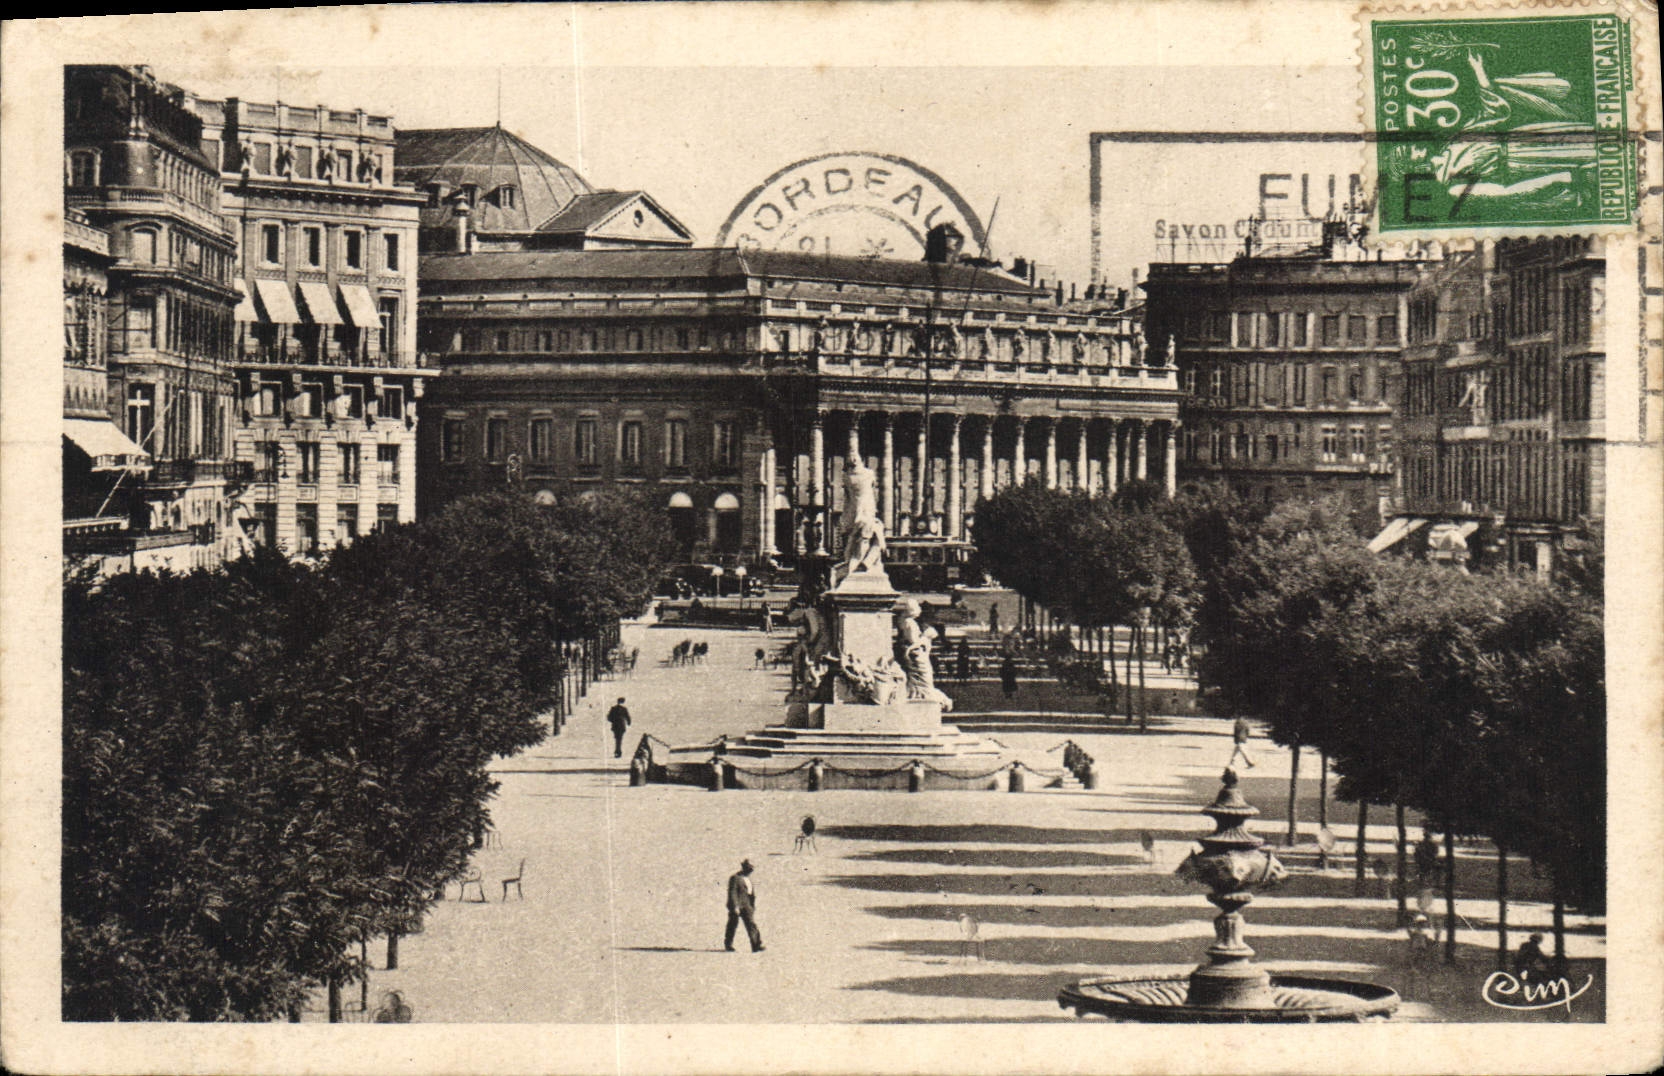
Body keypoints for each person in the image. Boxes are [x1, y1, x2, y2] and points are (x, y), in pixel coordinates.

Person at [724, 859, 764, 953]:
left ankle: (756, 945)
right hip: (737, 906)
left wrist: (752, 906)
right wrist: (735, 906)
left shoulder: (748, 879)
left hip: (747, 906)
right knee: (732, 926)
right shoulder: (735, 878)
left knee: (751, 925)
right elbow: (732, 892)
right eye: (749, 868)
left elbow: (751, 894)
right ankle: (728, 945)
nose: (751, 870)